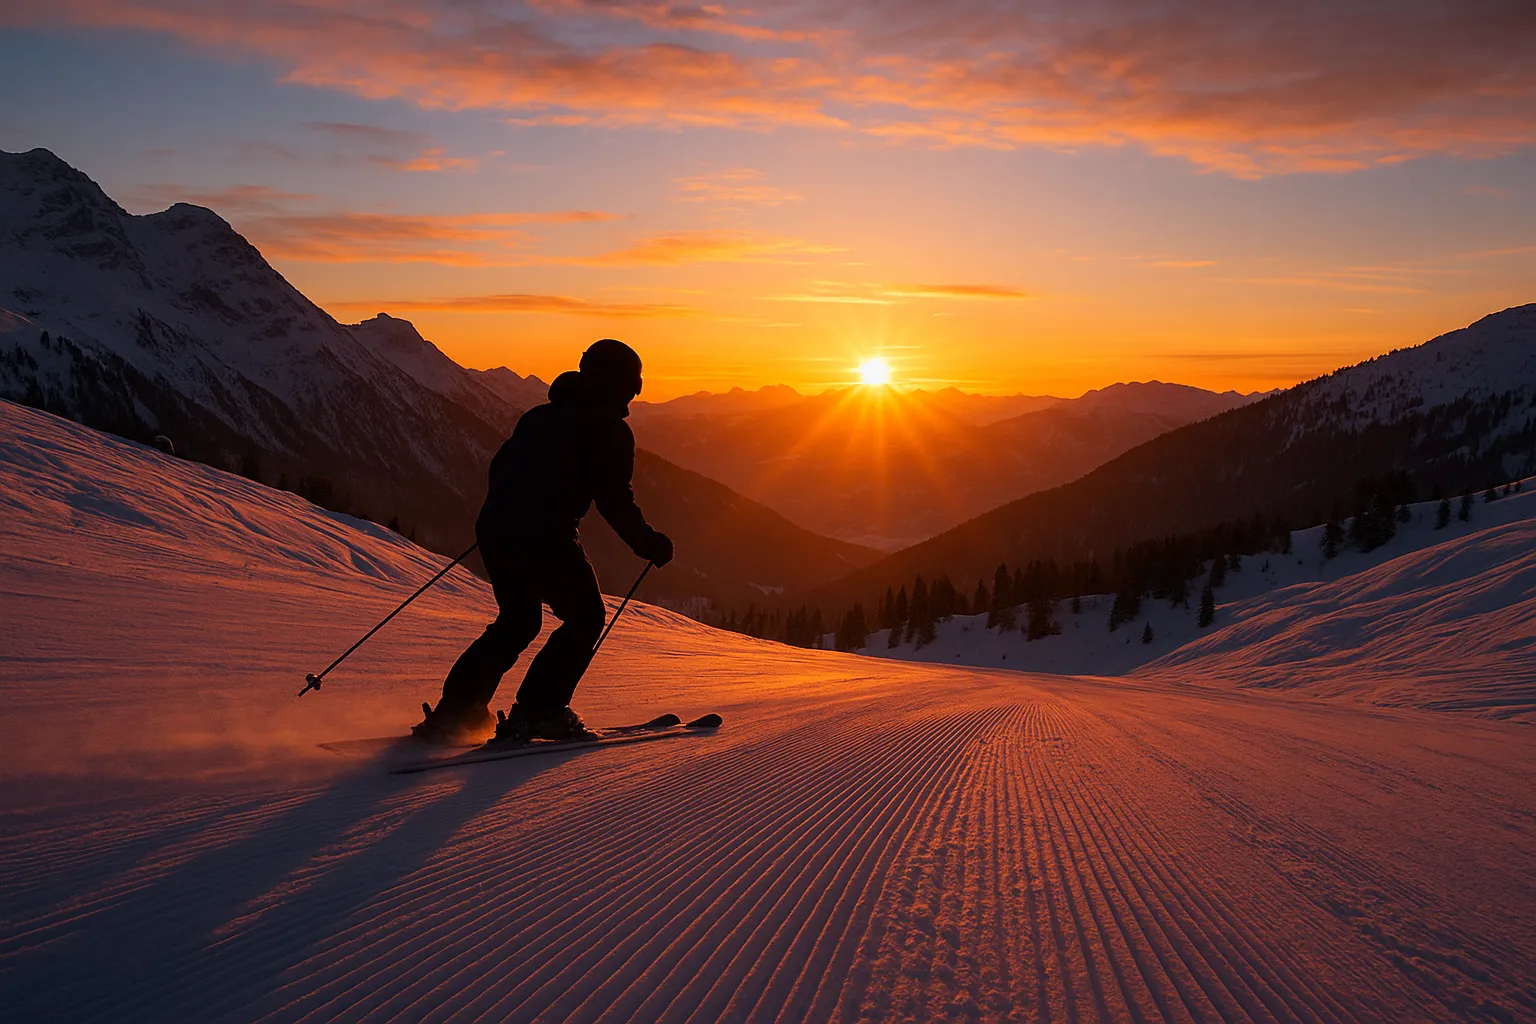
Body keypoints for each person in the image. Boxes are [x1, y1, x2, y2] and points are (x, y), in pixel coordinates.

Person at [413, 339, 674, 744]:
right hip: (544, 535)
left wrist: (503, 516)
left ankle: (457, 712)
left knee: (517, 621)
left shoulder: (540, 416)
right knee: (585, 618)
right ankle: (540, 711)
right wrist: (649, 544)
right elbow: (613, 498)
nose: (631, 399)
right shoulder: (609, 429)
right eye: (632, 388)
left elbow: (502, 466)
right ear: (620, 384)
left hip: (498, 529)